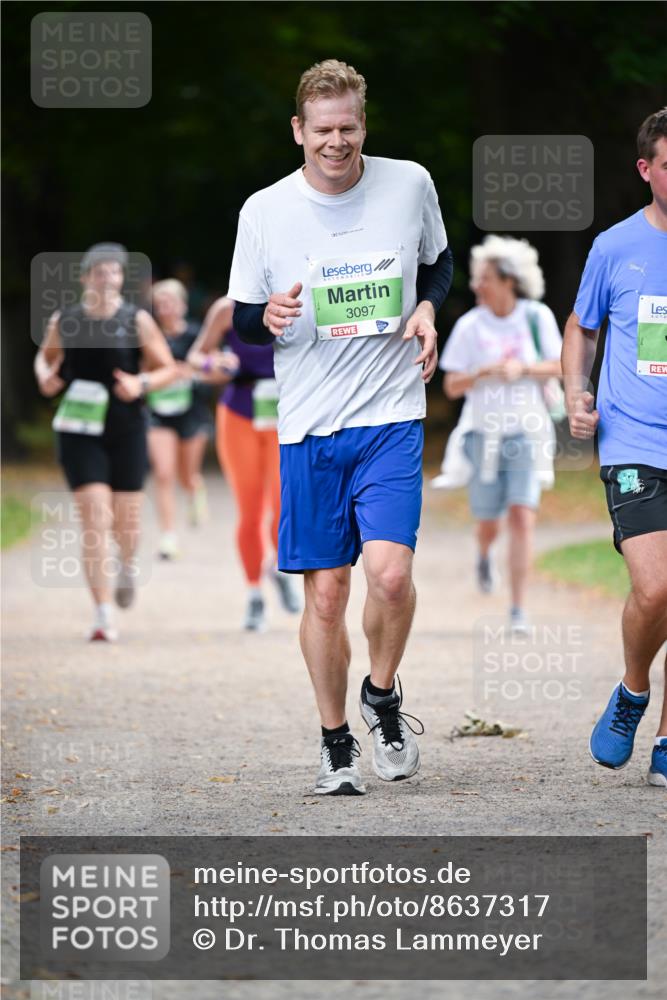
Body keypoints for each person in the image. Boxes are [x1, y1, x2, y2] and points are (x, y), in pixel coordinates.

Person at [227, 59, 453, 794]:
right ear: (298, 130)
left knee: (388, 576)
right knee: (325, 593)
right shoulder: (264, 211)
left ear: (363, 125)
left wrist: (425, 309)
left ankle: (380, 697)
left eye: (347, 128)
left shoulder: (409, 183)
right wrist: (265, 317)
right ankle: (334, 741)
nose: (335, 142)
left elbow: (439, 264)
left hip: (390, 415)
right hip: (311, 427)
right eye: (321, 130)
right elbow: (239, 319)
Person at [563, 108, 667, 787]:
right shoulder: (615, 246)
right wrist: (575, 391)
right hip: (632, 438)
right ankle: (633, 691)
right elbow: (580, 329)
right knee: (655, 587)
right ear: (646, 169)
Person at [34, 243, 176, 641]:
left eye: (114, 273)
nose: (107, 279)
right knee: (95, 519)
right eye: (99, 272)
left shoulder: (136, 320)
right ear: (85, 277)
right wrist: (44, 375)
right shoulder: (67, 319)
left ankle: (127, 564)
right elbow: (45, 358)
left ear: (121, 279)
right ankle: (102, 614)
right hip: (79, 430)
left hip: (126, 428)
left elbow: (168, 369)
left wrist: (141, 382)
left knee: (125, 521)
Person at [439, 236, 563, 631]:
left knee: (522, 515)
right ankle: (484, 551)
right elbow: (451, 386)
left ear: (509, 280)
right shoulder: (469, 325)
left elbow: (561, 365)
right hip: (482, 433)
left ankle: (518, 610)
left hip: (526, 429)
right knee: (489, 519)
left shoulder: (536, 316)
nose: (477, 285)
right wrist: (481, 373)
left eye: (485, 278)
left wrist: (522, 370)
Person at [187, 296, 303, 631]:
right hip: (239, 413)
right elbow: (197, 355)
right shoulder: (227, 308)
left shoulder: (299, 298)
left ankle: (278, 569)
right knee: (249, 510)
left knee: (284, 507)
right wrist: (213, 365)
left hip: (286, 414)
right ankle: (254, 595)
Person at [147, 279, 215, 559]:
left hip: (191, 412)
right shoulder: (148, 337)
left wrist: (192, 372)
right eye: (160, 303)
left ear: (183, 305)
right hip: (158, 413)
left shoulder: (196, 336)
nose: (165, 308)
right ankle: (168, 538)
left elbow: (214, 369)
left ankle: (194, 488)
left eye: (170, 302)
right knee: (164, 474)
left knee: (186, 475)